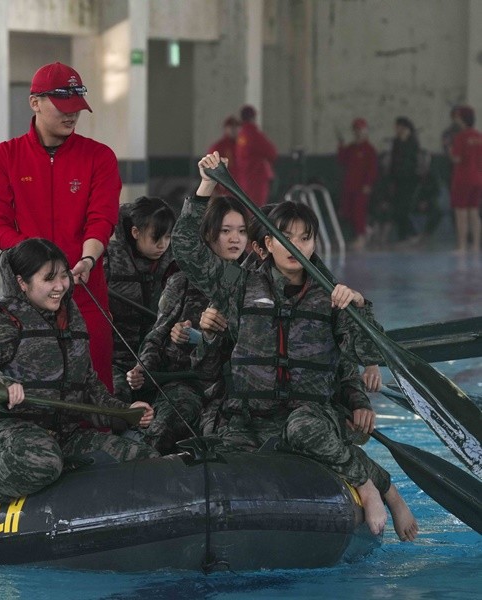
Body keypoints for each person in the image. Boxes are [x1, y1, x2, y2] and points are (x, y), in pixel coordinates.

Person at [172, 152, 418, 542]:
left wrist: (357, 307)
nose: (296, 246)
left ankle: (377, 488)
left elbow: (364, 352)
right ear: (267, 243)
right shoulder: (238, 285)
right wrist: (205, 185)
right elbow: (185, 249)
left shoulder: (330, 296)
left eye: (305, 238)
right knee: (218, 457)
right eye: (286, 238)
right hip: (249, 417)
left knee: (304, 431)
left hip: (310, 415)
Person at [0, 238, 158, 545]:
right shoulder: (1, 323)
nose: (60, 285)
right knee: (43, 457)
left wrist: (124, 413)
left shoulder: (72, 320)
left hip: (62, 435)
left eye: (62, 276)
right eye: (48, 279)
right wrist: (1, 384)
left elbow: (88, 384)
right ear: (22, 283)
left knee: (143, 456)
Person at [0, 61, 120, 392]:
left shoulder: (99, 157)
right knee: (29, 388)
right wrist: (36, 264)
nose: (71, 116)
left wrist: (86, 260)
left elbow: (101, 219)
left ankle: (100, 441)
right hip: (27, 292)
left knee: (95, 385)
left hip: (85, 286)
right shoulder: (4, 157)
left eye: (77, 109)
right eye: (62, 107)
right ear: (35, 102)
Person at [126, 196, 249, 453]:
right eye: (226, 231)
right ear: (209, 235)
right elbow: (156, 335)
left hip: (230, 389)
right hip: (184, 384)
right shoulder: (181, 283)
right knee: (166, 425)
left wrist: (201, 338)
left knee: (223, 441)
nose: (235, 239)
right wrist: (143, 369)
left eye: (241, 231)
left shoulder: (252, 285)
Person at [105, 196, 178, 400]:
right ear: (135, 232)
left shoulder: (176, 262)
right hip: (116, 361)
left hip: (161, 362)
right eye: (156, 238)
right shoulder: (109, 259)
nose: (163, 245)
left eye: (168, 237)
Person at [337, 118, 378, 251]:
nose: (358, 132)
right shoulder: (352, 148)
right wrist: (341, 146)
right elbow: (342, 160)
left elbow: (372, 169)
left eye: (361, 129)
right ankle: (366, 230)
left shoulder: (369, 150)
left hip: (361, 188)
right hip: (350, 187)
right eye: (356, 129)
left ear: (365, 131)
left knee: (359, 212)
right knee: (348, 212)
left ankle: (362, 237)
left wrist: (368, 184)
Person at [449, 105, 482, 253]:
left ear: (462, 119)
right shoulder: (479, 136)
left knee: (461, 213)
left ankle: (461, 246)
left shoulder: (460, 137)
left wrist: (449, 150)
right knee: (474, 212)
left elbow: (456, 159)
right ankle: (475, 245)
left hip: (463, 179)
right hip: (478, 178)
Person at [387, 116, 422, 243]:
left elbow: (412, 162)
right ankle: (403, 237)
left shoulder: (412, 142)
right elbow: (393, 162)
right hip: (397, 180)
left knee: (404, 209)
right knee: (397, 209)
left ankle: (413, 233)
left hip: (410, 180)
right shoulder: (396, 142)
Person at [235, 105, 277, 207]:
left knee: (247, 208)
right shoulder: (253, 134)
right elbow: (272, 152)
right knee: (257, 210)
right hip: (257, 178)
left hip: (245, 178)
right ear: (253, 117)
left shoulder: (241, 135)